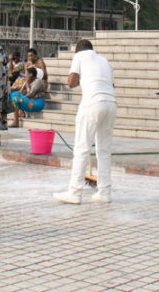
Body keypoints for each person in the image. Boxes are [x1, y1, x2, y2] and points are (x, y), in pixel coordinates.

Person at [54, 39, 117, 204]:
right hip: (110, 103)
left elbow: (71, 82)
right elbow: (111, 84)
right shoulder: (104, 60)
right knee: (104, 150)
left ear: (78, 50)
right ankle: (105, 192)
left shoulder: (80, 56)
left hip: (92, 103)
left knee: (81, 149)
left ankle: (74, 192)